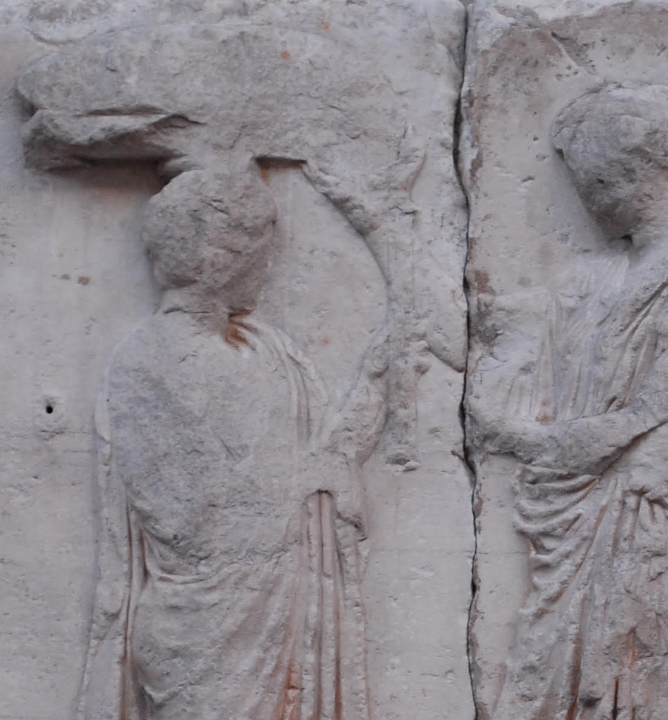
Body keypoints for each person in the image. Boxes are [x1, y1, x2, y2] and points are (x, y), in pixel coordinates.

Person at [469, 83, 668, 720]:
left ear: (621, 173)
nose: (583, 196)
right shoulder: (615, 274)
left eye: (586, 178)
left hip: (663, 535)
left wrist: (518, 438)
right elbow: (549, 333)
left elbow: (664, 422)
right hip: (606, 535)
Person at [82, 169, 387, 720]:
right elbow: (196, 517)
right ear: (223, 261)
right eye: (260, 254)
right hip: (209, 628)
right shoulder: (171, 361)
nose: (267, 268)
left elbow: (296, 465)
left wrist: (373, 387)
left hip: (233, 615)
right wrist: (320, 469)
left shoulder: (250, 350)